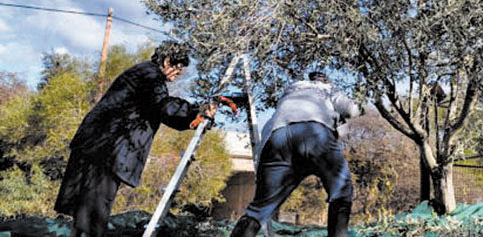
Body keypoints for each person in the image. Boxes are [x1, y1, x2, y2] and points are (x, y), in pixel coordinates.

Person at [54, 41, 216, 237]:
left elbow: (160, 109)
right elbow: (164, 107)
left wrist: (191, 116)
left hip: (95, 146)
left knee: (85, 215)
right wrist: (196, 111)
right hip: (104, 150)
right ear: (166, 61)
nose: (178, 74)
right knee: (93, 215)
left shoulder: (143, 73)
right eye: (178, 68)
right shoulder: (150, 76)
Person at [231, 71, 363, 237]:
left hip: (276, 137)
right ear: (324, 80)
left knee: (258, 209)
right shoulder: (329, 88)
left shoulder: (292, 89)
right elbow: (351, 110)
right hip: (314, 133)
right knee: (341, 191)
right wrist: (362, 104)